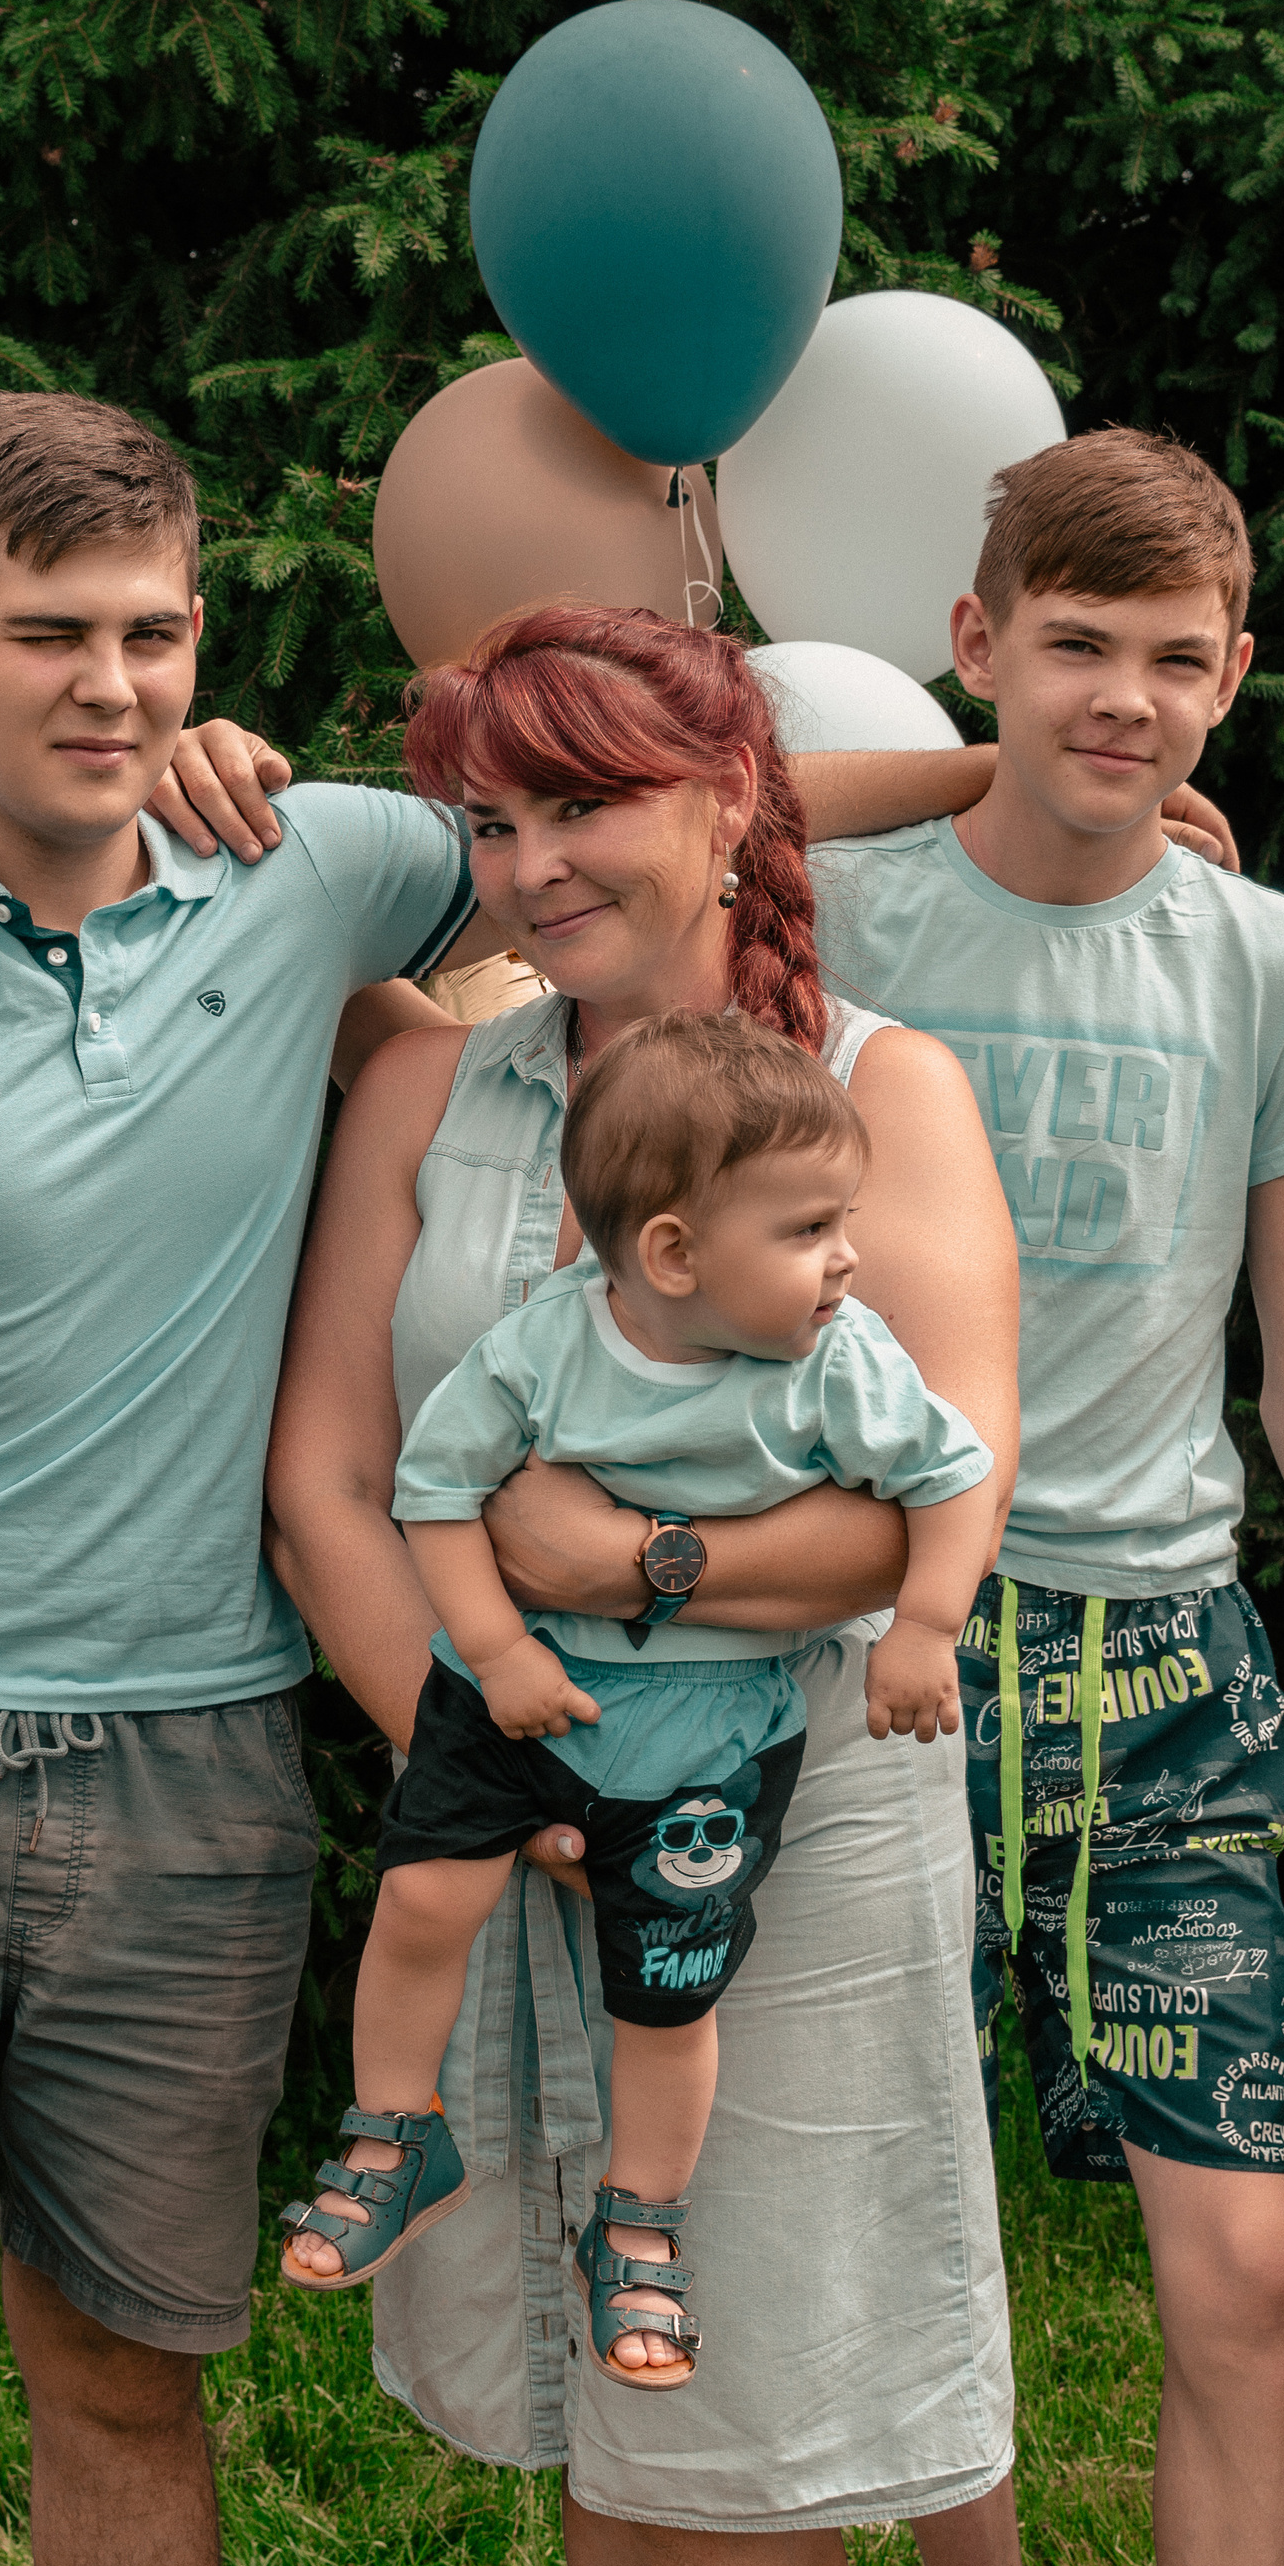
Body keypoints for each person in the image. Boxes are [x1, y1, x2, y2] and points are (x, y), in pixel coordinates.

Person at [0, 385, 1056, 2566]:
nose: (109, 684)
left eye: (152, 633)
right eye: (47, 634)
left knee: (132, 2382)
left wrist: (1033, 787)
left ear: (202, 634)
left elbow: (652, 802)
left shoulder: (308, 865)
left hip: (189, 1774)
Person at [265, 601, 1050, 2566]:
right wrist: (505, 1763)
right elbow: (328, 1478)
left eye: (585, 805)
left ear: (732, 808)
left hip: (777, 1829)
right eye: (493, 821)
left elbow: (932, 1498)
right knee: (590, 2394)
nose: (531, 868)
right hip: (500, 1798)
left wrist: (627, 1569)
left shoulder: (881, 1091)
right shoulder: (434, 1085)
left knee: (742, 2411)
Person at [806, 427, 1284, 2566]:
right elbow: (672, 805)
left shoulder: (1275, 968)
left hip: (1165, 1688)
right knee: (906, 2226)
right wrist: (964, 775)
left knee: (1243, 2263)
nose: (1123, 700)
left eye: (1173, 660)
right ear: (977, 644)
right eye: (1071, 649)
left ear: (1235, 673)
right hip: (885, 1660)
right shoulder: (845, 927)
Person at [279, 1010, 999, 2406]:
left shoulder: (839, 1364)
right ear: (672, 1253)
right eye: (809, 1229)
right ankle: (395, 2131)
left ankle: (640, 2222)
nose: (847, 1257)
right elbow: (435, 1491)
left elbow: (953, 1478)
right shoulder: (544, 1348)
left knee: (665, 2002)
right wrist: (495, 1651)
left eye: (843, 1221)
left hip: (705, 1736)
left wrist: (925, 1625)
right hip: (516, 1694)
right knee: (421, 1900)